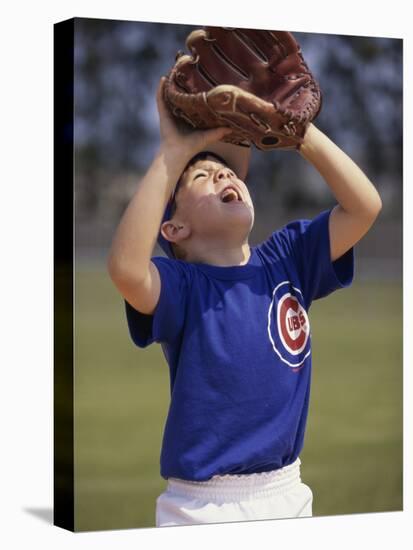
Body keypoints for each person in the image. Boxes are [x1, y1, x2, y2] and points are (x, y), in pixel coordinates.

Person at [107, 77, 382, 527]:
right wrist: (172, 155)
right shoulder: (184, 286)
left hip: (286, 492)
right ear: (174, 231)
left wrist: (300, 133)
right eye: (201, 176)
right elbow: (126, 269)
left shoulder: (288, 258)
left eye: (229, 170)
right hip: (200, 506)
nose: (224, 173)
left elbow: (364, 206)